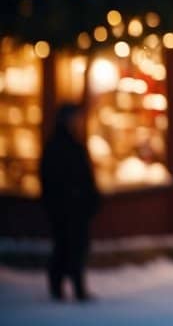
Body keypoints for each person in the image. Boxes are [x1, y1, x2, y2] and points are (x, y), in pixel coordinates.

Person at [39, 104, 99, 302]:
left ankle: (75, 286)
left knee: (76, 247)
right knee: (66, 246)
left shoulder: (74, 144)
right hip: (66, 207)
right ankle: (60, 286)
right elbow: (51, 179)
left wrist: (91, 198)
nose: (78, 123)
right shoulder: (59, 146)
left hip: (76, 206)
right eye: (75, 119)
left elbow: (85, 176)